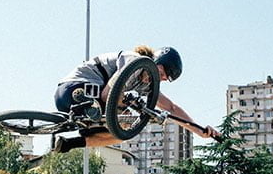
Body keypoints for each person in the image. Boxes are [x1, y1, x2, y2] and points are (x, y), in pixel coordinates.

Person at [51, 45, 219, 153]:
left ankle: (68, 144)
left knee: (123, 133)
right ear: (154, 62)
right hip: (75, 90)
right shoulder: (133, 60)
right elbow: (106, 95)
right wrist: (127, 105)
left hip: (79, 105)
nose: (157, 79)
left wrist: (199, 131)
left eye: (162, 79)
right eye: (159, 73)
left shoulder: (146, 84)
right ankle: (93, 115)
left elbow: (172, 108)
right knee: (124, 118)